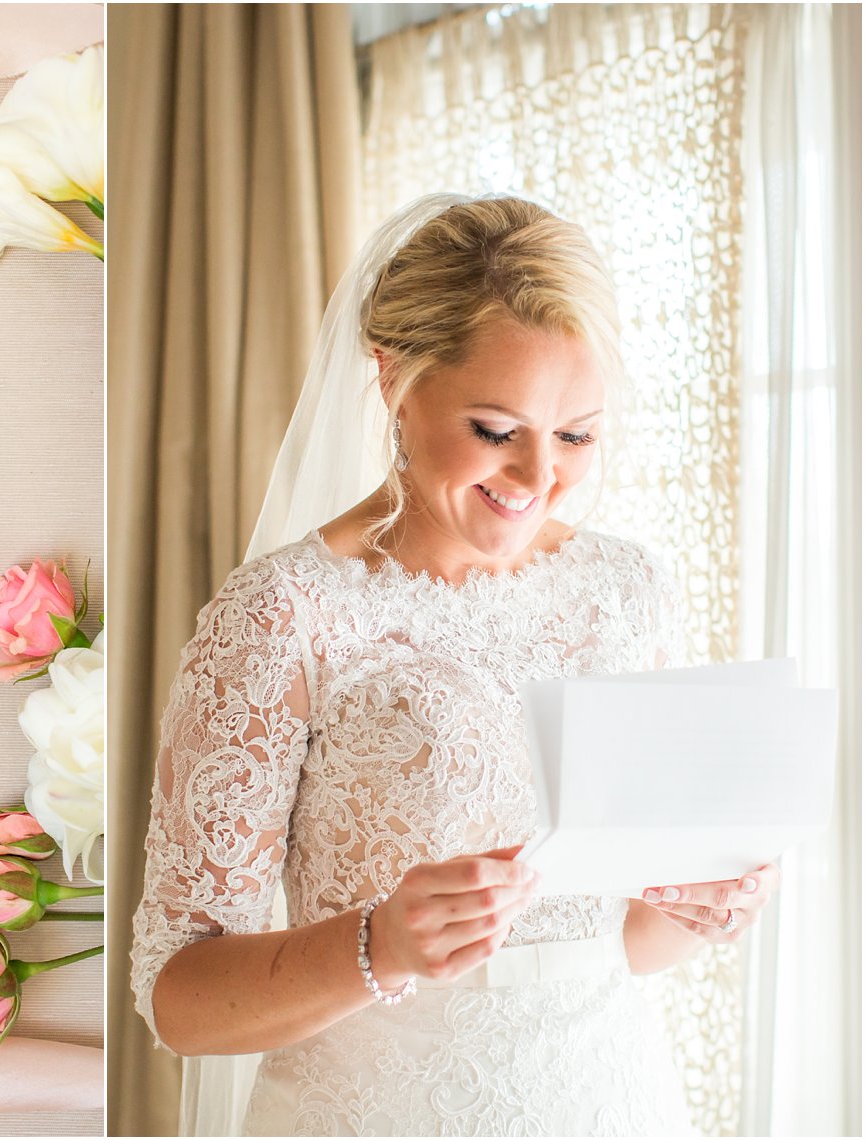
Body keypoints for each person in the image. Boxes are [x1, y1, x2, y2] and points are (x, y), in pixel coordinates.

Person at [129, 193, 779, 1136]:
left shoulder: (626, 592)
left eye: (576, 435)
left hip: (612, 1100)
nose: (537, 477)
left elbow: (615, 940)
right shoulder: (287, 615)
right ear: (394, 377)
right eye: (494, 428)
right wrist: (376, 946)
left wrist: (704, 904)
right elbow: (177, 996)